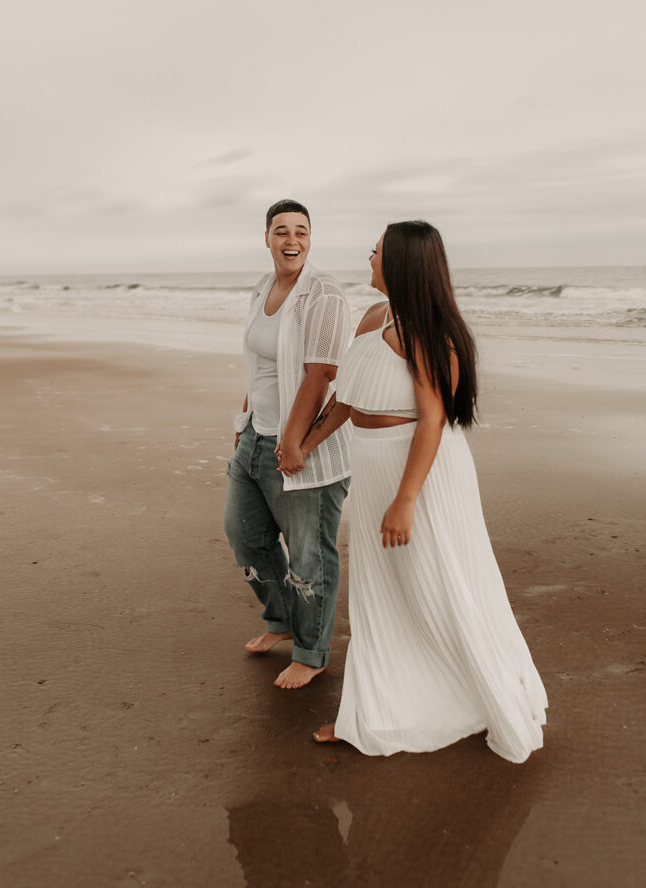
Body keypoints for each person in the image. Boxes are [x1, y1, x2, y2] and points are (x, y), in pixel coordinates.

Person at [301, 220, 547, 761]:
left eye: (377, 251)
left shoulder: (431, 336)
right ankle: (376, 708)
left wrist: (407, 498)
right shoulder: (374, 318)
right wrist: (306, 442)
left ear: (403, 265)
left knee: (441, 583)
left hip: (419, 471)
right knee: (382, 589)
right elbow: (350, 398)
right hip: (373, 468)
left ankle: (452, 697)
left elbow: (433, 419)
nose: (369, 257)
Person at [223, 199, 352, 689]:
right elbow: (261, 365)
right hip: (255, 435)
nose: (291, 240)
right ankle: (279, 621)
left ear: (311, 238)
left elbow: (321, 372)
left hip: (303, 448)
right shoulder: (264, 287)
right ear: (267, 238)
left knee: (309, 555)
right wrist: (246, 417)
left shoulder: (324, 294)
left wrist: (294, 440)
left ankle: (311, 651)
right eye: (281, 231)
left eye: (300, 231)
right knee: (244, 534)